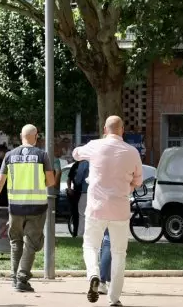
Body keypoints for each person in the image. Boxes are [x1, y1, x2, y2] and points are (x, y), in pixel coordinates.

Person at [73, 116, 143, 307]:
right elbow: (138, 181)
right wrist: (127, 187)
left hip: (96, 208)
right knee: (119, 253)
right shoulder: (132, 152)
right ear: (122, 130)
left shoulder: (95, 146)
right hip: (120, 210)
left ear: (105, 129)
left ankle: (94, 275)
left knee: (90, 246)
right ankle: (114, 299)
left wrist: (84, 152)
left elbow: (75, 154)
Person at [0, 124, 55, 293]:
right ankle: (22, 278)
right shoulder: (42, 155)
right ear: (36, 136)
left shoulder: (10, 156)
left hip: (15, 208)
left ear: (20, 136)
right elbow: (51, 181)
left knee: (15, 242)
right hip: (37, 208)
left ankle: (14, 277)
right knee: (32, 243)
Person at [74, 160, 90, 236]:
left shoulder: (84, 163)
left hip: (86, 193)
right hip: (101, 194)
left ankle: (81, 235)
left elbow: (78, 180)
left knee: (83, 215)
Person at [66, 160, 82, 237]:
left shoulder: (88, 163)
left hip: (84, 192)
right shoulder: (75, 165)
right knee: (75, 213)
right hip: (76, 192)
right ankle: (75, 233)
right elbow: (69, 178)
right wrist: (69, 188)